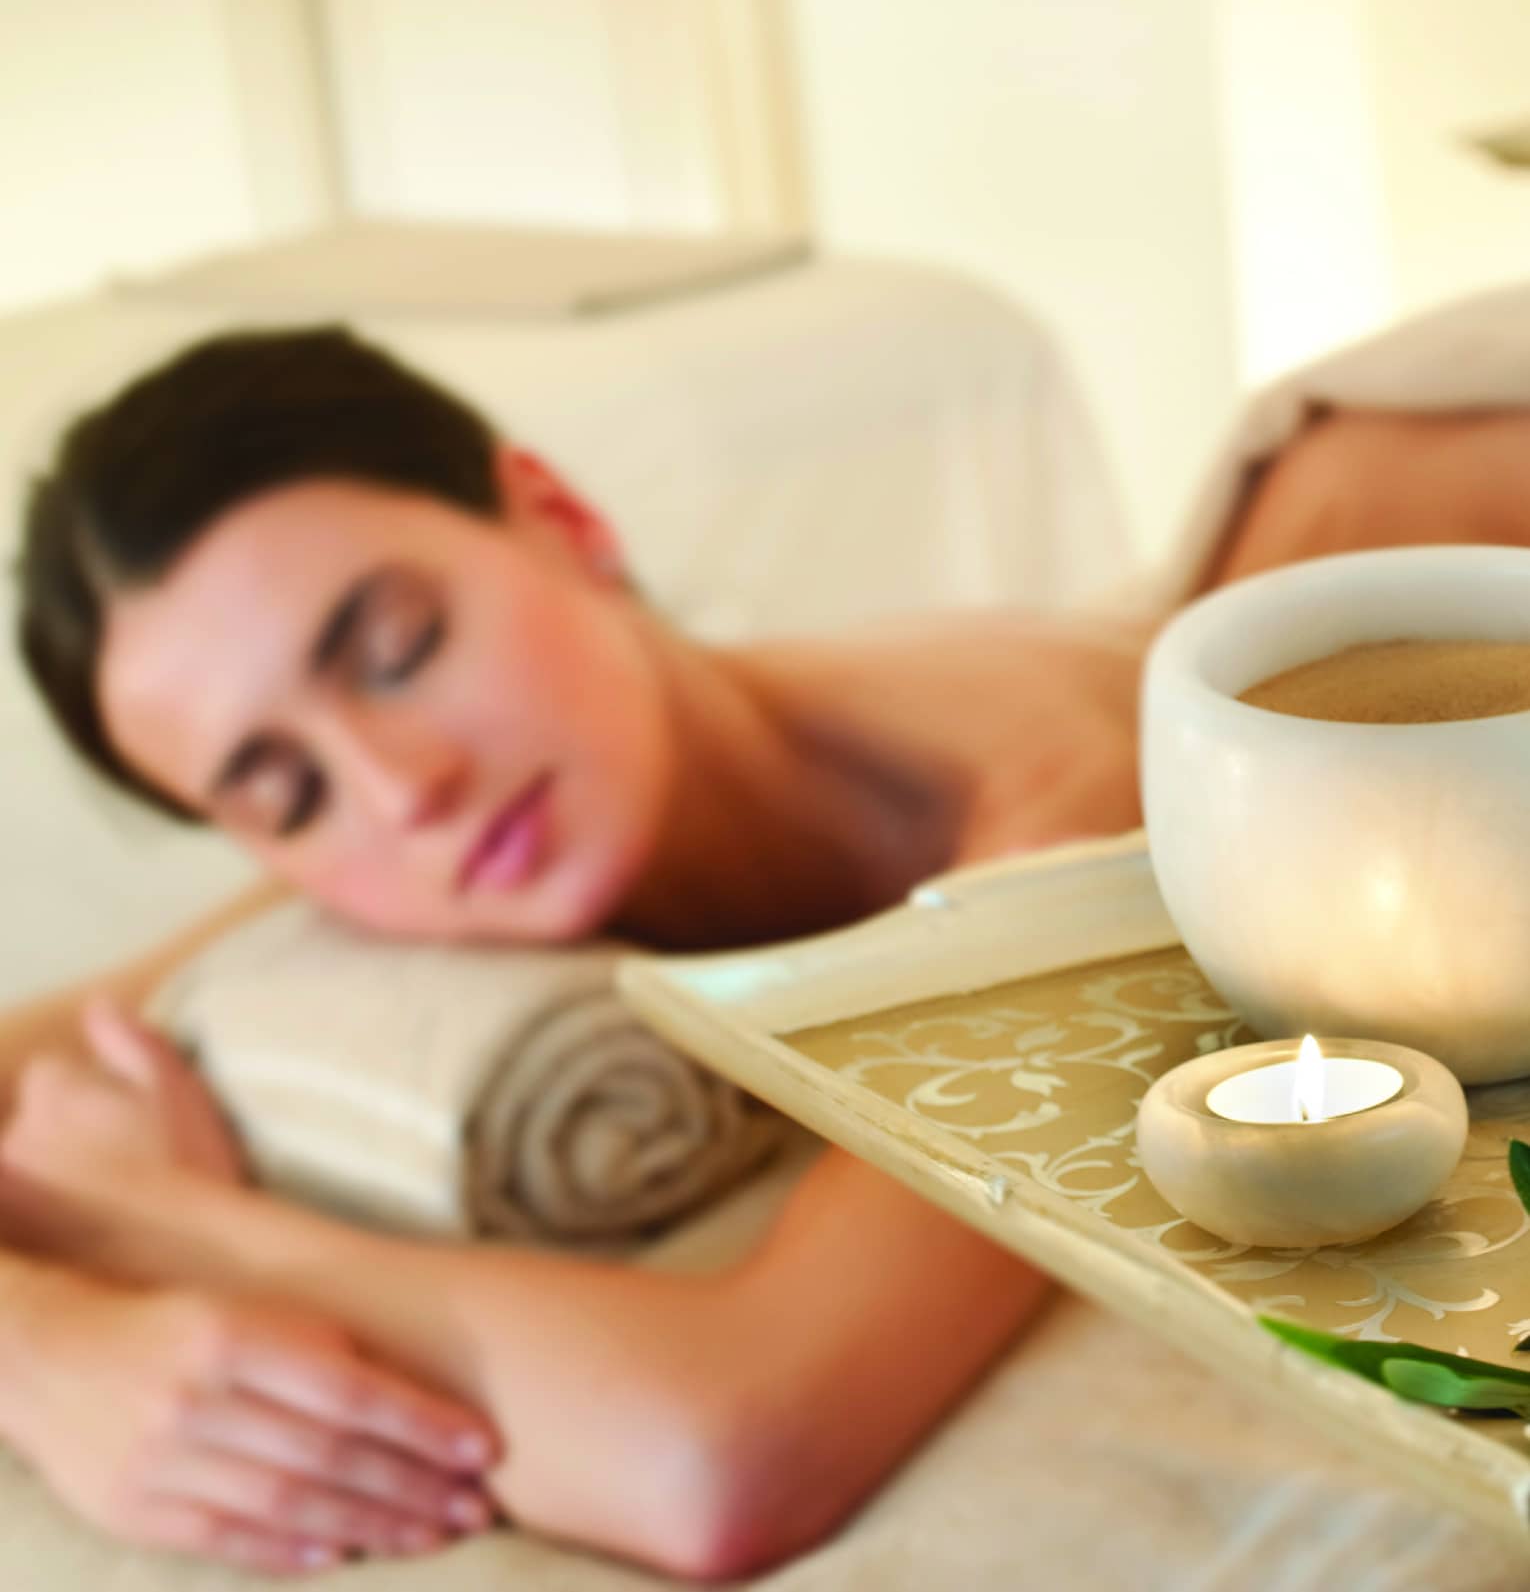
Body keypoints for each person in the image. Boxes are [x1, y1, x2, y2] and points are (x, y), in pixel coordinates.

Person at [8, 329, 1528, 1578]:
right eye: (284, 791)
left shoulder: (1070, 817)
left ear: (558, 513)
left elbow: (726, 1447)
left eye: (400, 645)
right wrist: (47, 1348)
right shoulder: (468, 844)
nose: (401, 789)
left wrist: (157, 1227)